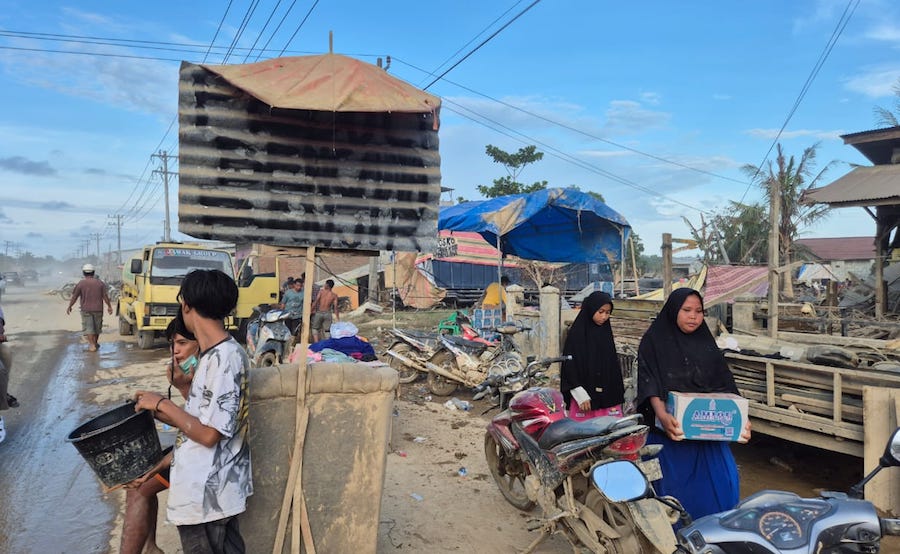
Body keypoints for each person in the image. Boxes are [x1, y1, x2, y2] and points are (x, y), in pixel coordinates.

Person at [133, 269, 252, 553]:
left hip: (208, 498)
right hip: (203, 495)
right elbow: (199, 426)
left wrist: (163, 404)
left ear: (186, 305)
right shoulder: (214, 356)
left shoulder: (224, 359)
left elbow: (210, 435)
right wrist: (161, 465)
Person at [635, 288, 751, 523]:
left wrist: (742, 422)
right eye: (687, 310)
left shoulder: (706, 344)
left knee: (723, 487)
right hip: (672, 437)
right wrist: (662, 415)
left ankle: (715, 537)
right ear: (673, 310)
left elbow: (725, 385)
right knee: (674, 498)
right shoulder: (654, 341)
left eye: (699, 311)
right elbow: (650, 383)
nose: (694, 317)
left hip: (709, 440)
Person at [121, 314, 199, 554]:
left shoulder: (208, 370)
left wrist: (167, 400)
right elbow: (188, 420)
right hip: (191, 443)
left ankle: (145, 548)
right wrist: (153, 408)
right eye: (172, 344)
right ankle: (150, 546)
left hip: (201, 452)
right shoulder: (191, 370)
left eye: (182, 343)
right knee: (140, 482)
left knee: (140, 487)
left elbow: (197, 427)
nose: (175, 351)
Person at [559, 291, 625, 420]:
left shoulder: (606, 333)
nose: (604, 317)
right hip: (584, 399)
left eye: (607, 312)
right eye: (600, 312)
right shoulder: (577, 334)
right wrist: (578, 391)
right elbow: (569, 365)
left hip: (607, 399)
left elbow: (611, 366)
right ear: (591, 309)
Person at [66, 263, 113, 352]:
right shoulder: (100, 283)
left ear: (84, 273)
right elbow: (105, 296)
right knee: (97, 328)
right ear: (93, 272)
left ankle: (92, 345)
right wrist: (109, 306)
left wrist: (70, 306)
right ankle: (95, 343)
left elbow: (75, 296)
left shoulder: (81, 283)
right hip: (98, 309)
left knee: (89, 327)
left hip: (86, 310)